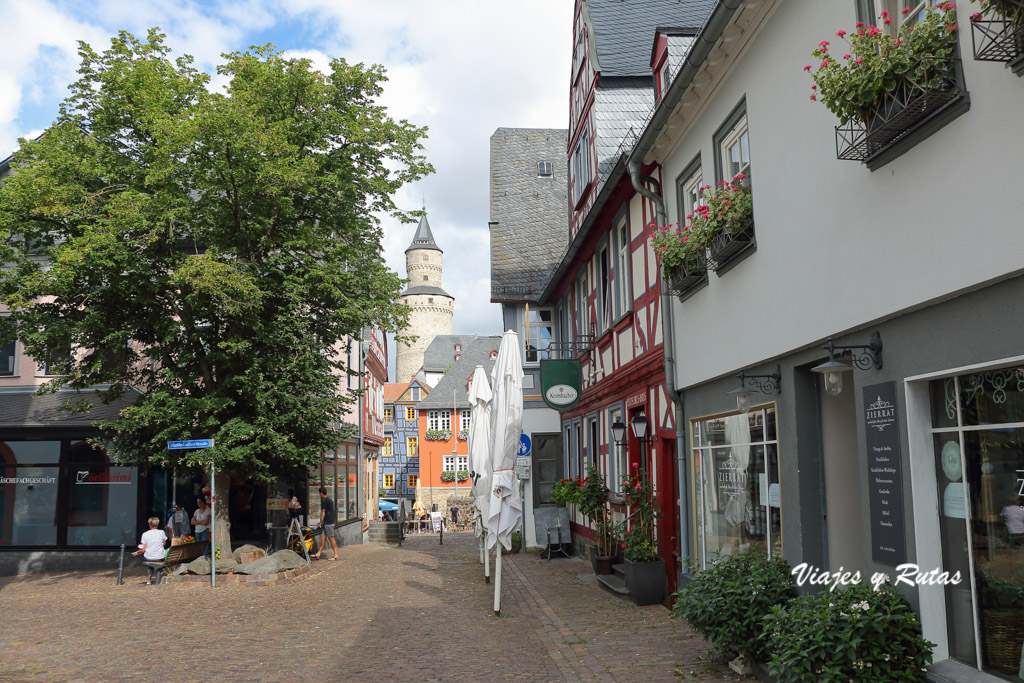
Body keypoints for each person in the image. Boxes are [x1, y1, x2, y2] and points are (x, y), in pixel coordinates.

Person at [132, 517, 168, 585]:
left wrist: (136, 553)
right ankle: (157, 576)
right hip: (160, 557)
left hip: (149, 558)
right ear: (157, 524)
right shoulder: (161, 532)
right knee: (157, 556)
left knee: (150, 559)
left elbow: (142, 550)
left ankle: (149, 579)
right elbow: (164, 544)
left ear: (149, 524)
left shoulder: (145, 534)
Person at [313, 486, 339, 560]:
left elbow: (323, 512)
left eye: (319, 493)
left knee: (331, 538)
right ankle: (318, 553)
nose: (319, 495)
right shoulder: (329, 499)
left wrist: (320, 522)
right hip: (328, 522)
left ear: (321, 493)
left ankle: (336, 555)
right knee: (323, 538)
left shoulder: (324, 500)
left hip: (328, 522)